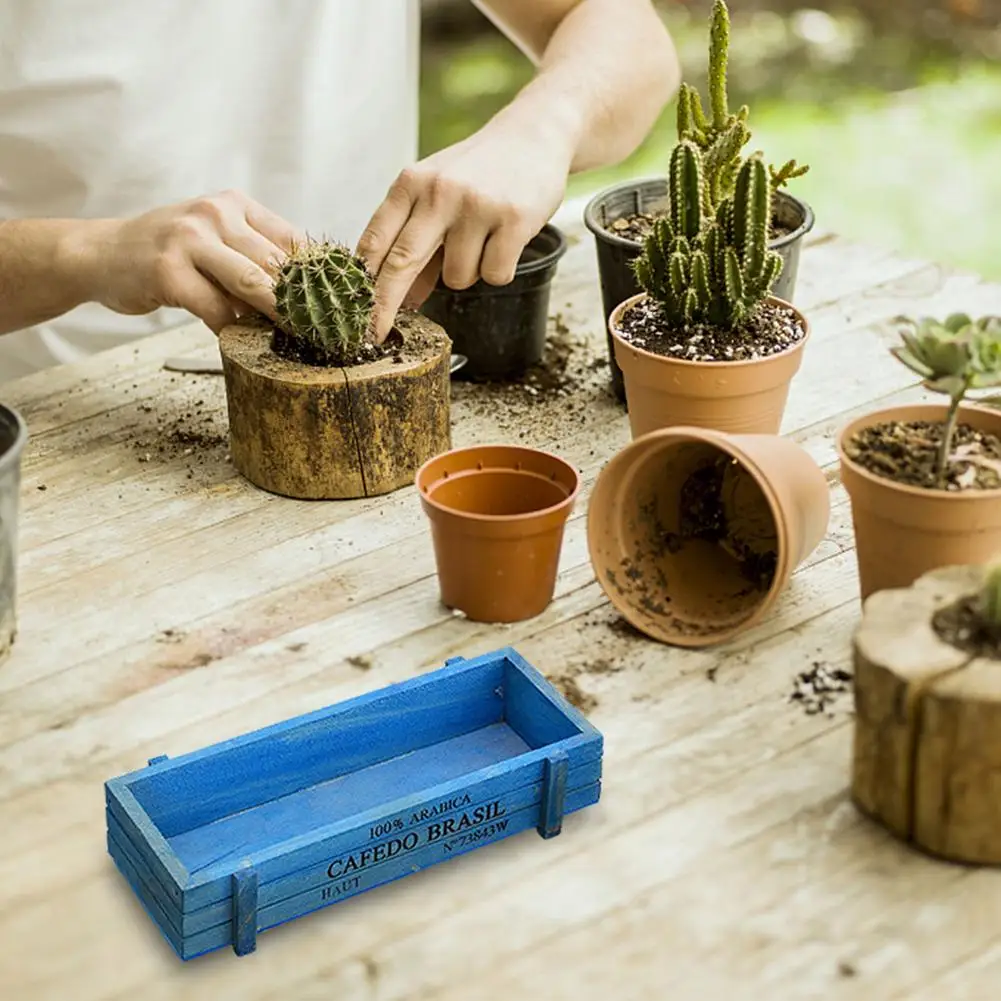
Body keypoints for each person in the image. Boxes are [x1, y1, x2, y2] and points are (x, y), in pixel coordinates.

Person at [0, 0, 679, 381]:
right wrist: (87, 252)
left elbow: (629, 39)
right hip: (71, 414)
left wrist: (542, 126)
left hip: (375, 375)